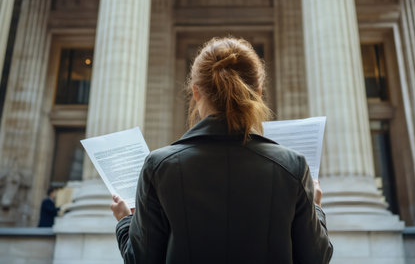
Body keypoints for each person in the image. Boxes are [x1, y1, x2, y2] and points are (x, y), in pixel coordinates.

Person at [110, 37, 333, 263]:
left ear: (196, 92)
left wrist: (125, 221)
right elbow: (315, 259)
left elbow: (141, 260)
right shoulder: (293, 166)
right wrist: (316, 208)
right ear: (258, 91)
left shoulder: (158, 166)